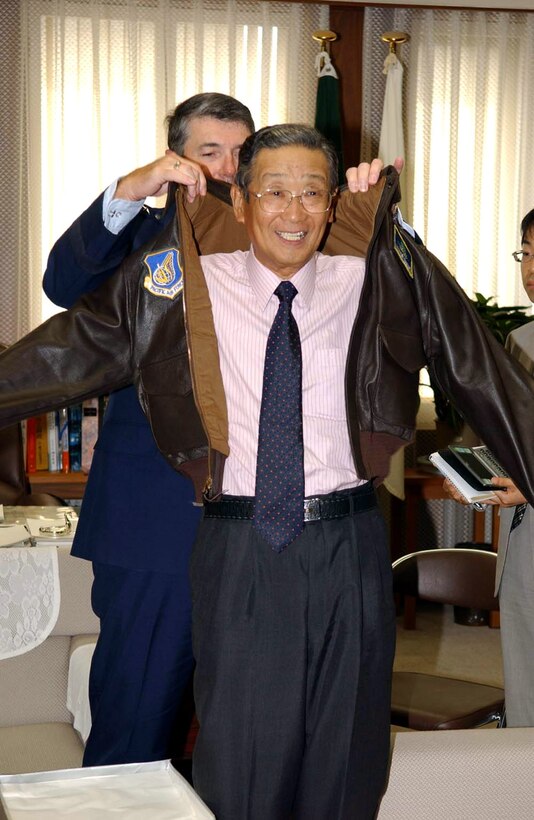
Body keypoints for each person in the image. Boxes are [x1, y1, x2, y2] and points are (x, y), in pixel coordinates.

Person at [1, 124, 534, 816]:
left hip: (349, 541)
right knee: (246, 752)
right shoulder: (182, 279)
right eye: (275, 192)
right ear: (243, 202)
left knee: (348, 754)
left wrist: (389, 226)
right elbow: (63, 355)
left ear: (334, 203)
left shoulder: (378, 275)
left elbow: (479, 371)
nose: (293, 211)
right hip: (240, 539)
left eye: (312, 194)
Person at [42, 92, 399, 767]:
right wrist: (127, 192)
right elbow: (63, 283)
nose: (229, 168)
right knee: (137, 719)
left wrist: (372, 208)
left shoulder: (301, 240)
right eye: (210, 152)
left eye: (241, 153)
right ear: (176, 158)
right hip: (158, 528)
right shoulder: (143, 239)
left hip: (269, 538)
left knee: (251, 730)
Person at [444, 207, 534, 727]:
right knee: (525, 690)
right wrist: (474, 478)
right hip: (522, 545)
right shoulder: (520, 341)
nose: (531, 267)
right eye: (527, 252)